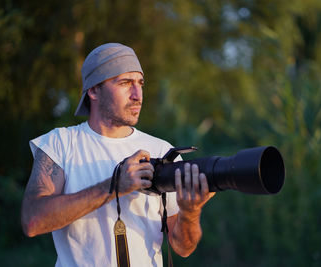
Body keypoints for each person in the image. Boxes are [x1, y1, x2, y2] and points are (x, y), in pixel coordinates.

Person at [21, 43, 215, 266]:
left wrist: (190, 212)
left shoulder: (162, 151)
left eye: (140, 83)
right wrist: (114, 186)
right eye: (125, 83)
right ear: (93, 90)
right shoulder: (60, 144)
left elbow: (183, 248)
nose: (137, 95)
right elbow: (32, 221)